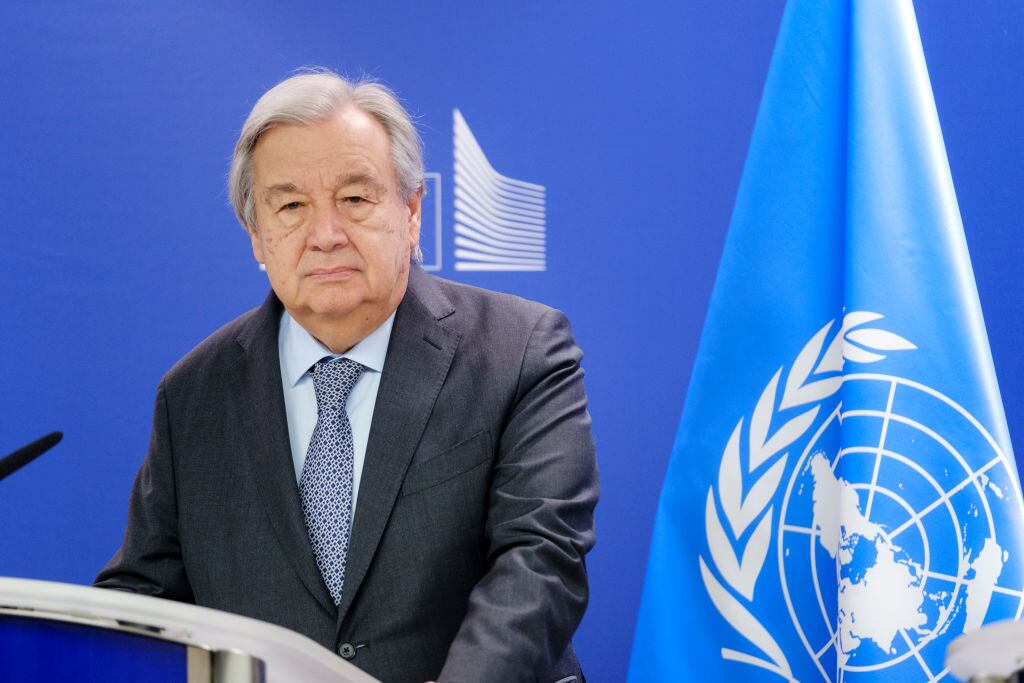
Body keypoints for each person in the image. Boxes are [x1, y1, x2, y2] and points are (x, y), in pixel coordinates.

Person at [95, 69, 599, 683]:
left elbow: (540, 560)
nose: (326, 236)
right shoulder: (193, 395)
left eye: (355, 200)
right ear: (257, 236)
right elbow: (146, 597)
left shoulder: (520, 350)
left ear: (411, 213)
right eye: (291, 207)